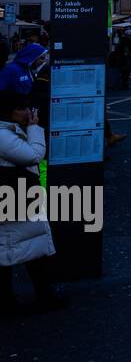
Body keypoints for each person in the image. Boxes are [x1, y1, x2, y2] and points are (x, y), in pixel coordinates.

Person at [0, 92, 64, 315]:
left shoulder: (8, 130)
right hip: (15, 200)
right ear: (8, 112)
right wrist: (35, 129)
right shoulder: (2, 134)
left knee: (20, 246)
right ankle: (42, 295)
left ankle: (16, 299)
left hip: (16, 199)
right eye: (21, 108)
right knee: (22, 247)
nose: (27, 112)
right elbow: (33, 155)